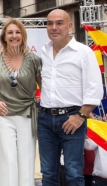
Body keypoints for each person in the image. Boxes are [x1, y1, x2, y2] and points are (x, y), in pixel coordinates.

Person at [38, 9, 103, 186]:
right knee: (48, 173)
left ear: (69, 26)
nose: (54, 27)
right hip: (45, 119)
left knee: (74, 173)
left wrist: (81, 116)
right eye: (50, 23)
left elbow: (95, 89)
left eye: (59, 23)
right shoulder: (43, 52)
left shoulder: (83, 52)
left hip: (72, 118)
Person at [0, 18, 42, 186]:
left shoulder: (34, 59)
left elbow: (45, 86)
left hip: (27, 114)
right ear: (4, 36)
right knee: (8, 160)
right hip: (4, 115)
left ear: (22, 35)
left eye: (17, 32)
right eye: (10, 32)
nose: (14, 36)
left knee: (26, 159)